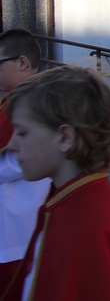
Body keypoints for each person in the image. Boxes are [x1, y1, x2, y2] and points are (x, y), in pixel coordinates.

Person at [6, 66, 110, 299]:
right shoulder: (71, 202)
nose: (12, 144)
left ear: (65, 138)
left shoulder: (89, 229)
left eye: (22, 132)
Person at [0, 29, 49, 298]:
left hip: (16, 230)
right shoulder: (18, 98)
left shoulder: (32, 98)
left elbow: (19, 161)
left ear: (22, 62)